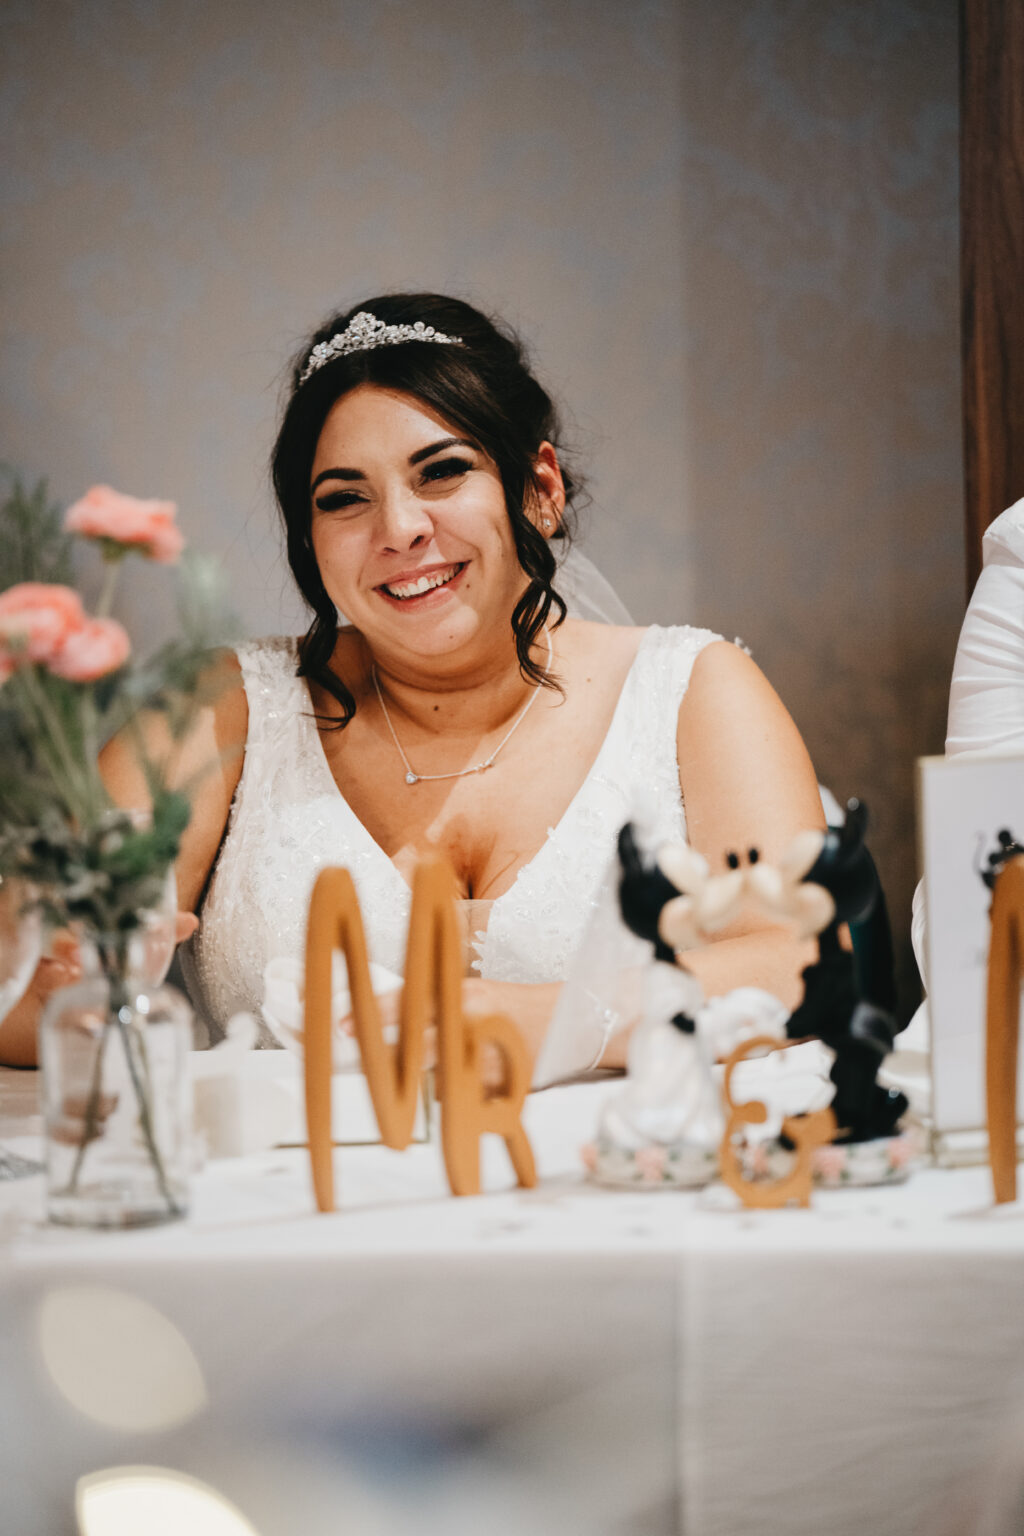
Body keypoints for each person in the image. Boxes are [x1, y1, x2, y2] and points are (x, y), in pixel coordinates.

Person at [1, 294, 824, 1070]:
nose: (399, 529)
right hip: (287, 1207)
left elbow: (804, 968)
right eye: (344, 498)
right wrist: (62, 985)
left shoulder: (694, 692)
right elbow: (30, 999)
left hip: (613, 1198)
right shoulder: (222, 711)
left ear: (539, 490)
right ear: (311, 541)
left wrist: (543, 1020)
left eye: (441, 472)